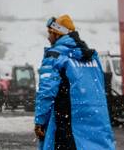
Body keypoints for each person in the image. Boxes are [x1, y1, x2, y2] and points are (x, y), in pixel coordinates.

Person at [33, 15, 114, 150]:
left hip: (67, 124)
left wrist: (39, 121)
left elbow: (46, 92)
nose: (48, 37)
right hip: (95, 121)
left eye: (50, 33)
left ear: (57, 34)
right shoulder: (92, 58)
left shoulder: (55, 56)